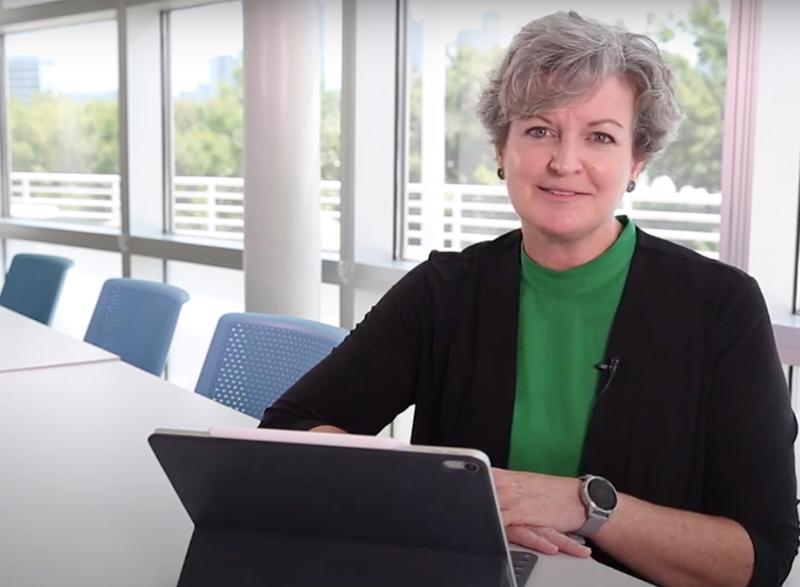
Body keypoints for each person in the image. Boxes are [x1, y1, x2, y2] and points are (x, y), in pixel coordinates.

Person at [261, 11, 798, 587]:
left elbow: (758, 557)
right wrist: (464, 504)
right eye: (540, 130)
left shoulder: (721, 307)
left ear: (636, 161)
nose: (565, 162)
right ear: (501, 147)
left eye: (600, 136)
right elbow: (293, 428)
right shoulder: (442, 291)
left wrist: (584, 505)